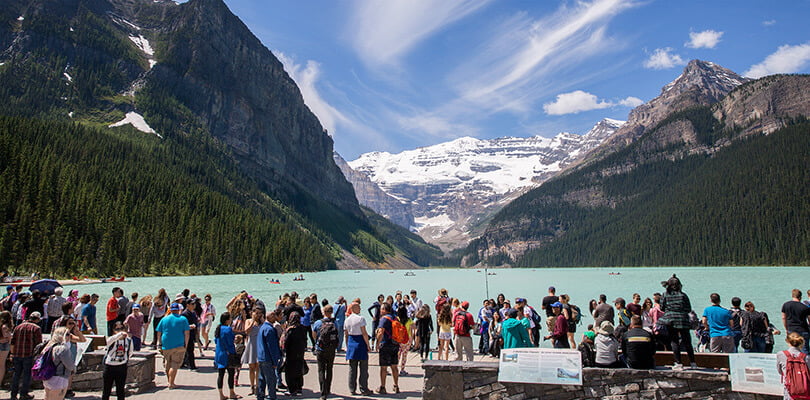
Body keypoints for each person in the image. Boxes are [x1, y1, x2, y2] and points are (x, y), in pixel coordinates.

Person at [660, 274, 696, 370]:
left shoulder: (665, 295)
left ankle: (678, 363)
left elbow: (661, 307)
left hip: (670, 320)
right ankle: (693, 362)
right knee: (687, 341)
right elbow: (688, 308)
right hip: (683, 319)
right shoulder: (683, 295)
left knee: (674, 341)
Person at [156, 302, 190, 389]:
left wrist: (159, 343)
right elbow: (187, 333)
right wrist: (186, 344)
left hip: (166, 344)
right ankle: (171, 383)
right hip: (178, 344)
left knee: (168, 364)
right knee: (175, 364)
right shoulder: (183, 319)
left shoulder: (164, 319)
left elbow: (159, 332)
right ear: (178, 310)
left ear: (170, 310)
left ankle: (169, 381)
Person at [10, 311, 42, 400]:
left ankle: (13, 394)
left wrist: (12, 354)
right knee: (27, 375)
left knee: (16, 374)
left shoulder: (18, 327)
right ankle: (23, 394)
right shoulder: (36, 328)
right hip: (29, 354)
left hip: (17, 354)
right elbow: (38, 344)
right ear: (37, 319)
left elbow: (12, 342)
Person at [345, 302, 373, 396]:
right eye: (359, 307)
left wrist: (347, 345)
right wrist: (368, 345)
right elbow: (364, 333)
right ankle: (363, 388)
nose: (360, 309)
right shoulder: (361, 319)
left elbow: (346, 334)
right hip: (360, 342)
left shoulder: (347, 320)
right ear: (354, 308)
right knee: (363, 369)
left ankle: (352, 388)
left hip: (351, 342)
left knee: (352, 368)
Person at [43, 326, 76, 400]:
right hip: (59, 377)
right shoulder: (63, 349)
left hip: (48, 376)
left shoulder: (49, 346)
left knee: (48, 397)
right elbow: (70, 365)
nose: (69, 336)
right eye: (67, 334)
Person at [102, 322, 133, 400]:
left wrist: (124, 360)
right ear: (113, 330)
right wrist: (118, 335)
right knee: (106, 390)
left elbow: (130, 352)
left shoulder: (128, 340)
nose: (120, 331)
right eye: (117, 329)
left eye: (122, 328)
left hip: (121, 367)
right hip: (109, 366)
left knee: (120, 390)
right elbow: (107, 343)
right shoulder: (112, 339)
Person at [313, 304, 338, 400]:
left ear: (324, 312)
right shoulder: (334, 323)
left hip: (321, 349)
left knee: (321, 370)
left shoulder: (318, 323)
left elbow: (314, 335)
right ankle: (328, 389)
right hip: (331, 349)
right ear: (331, 312)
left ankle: (323, 392)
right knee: (330, 369)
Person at [214, 312, 240, 400]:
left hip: (219, 353)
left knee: (220, 375)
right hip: (227, 354)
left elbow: (215, 340)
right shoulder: (228, 329)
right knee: (231, 373)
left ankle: (221, 394)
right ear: (227, 320)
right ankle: (232, 392)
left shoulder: (218, 328)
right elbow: (230, 343)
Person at [776, 332, 810, 400]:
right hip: (805, 389)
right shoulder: (806, 357)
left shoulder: (781, 354)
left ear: (788, 342)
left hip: (789, 390)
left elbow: (780, 371)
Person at [257, 310, 282, 400]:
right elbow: (272, 347)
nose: (275, 317)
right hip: (268, 358)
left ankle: (260, 395)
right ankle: (272, 397)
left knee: (261, 378)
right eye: (274, 316)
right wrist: (275, 361)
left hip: (261, 357)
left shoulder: (262, 327)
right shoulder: (270, 329)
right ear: (270, 317)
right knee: (271, 380)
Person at [282, 311, 308, 396]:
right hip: (300, 352)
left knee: (290, 372)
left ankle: (291, 389)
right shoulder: (303, 328)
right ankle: (299, 387)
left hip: (291, 353)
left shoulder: (291, 330)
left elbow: (286, 342)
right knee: (298, 370)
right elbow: (305, 340)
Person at [376, 302, 400, 394]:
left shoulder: (384, 319)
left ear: (384, 310)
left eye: (381, 309)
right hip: (395, 344)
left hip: (385, 344)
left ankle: (383, 387)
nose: (380, 310)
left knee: (383, 367)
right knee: (394, 366)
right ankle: (396, 386)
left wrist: (377, 343)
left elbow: (381, 332)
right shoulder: (395, 318)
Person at [782, 289, 810, 355]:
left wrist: (786, 328)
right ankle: (806, 364)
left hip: (791, 329)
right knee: (805, 350)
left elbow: (783, 317)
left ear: (792, 295)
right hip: (803, 329)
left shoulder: (786, 305)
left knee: (792, 348)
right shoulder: (804, 307)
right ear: (800, 297)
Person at [242, 308, 263, 395]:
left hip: (259, 344)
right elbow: (247, 331)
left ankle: (258, 386)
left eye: (259, 313)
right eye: (256, 313)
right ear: (252, 313)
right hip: (251, 344)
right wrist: (253, 321)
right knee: (251, 367)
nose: (258, 315)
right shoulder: (248, 321)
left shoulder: (262, 322)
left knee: (258, 366)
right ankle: (252, 386)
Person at [181, 298, 199, 370]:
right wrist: (189, 326)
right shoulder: (184, 314)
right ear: (187, 305)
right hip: (186, 334)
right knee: (189, 350)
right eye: (192, 304)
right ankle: (192, 366)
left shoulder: (193, 312)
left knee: (190, 350)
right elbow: (182, 325)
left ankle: (186, 363)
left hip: (192, 334)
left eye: (194, 304)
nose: (194, 305)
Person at [0, 311, 12, 387]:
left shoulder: (2, 325)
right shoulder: (6, 326)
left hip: (2, 344)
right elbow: (7, 337)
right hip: (4, 345)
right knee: (1, 365)